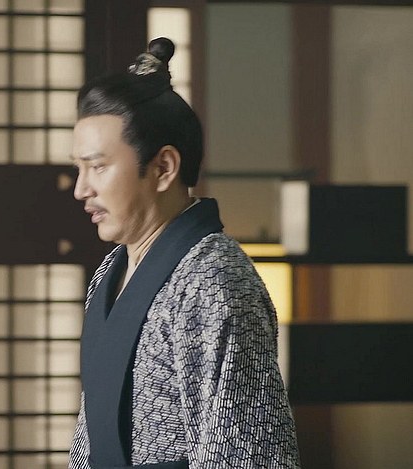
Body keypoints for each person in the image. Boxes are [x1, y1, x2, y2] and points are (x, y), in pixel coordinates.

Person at [68, 37, 300, 469]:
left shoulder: (215, 280)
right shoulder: (111, 269)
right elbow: (91, 435)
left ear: (163, 168)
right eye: (78, 168)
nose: (82, 189)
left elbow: (245, 454)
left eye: (98, 167)